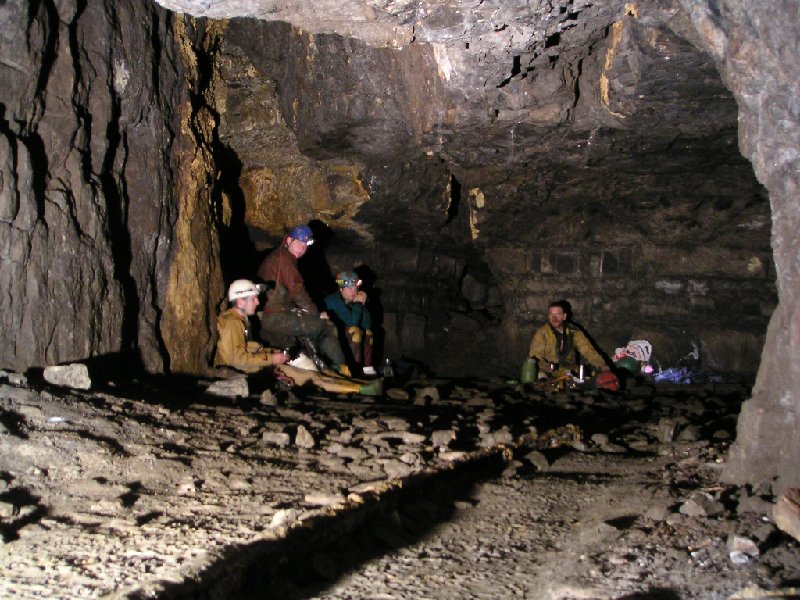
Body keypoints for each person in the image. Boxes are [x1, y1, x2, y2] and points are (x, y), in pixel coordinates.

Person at [215, 279, 382, 395]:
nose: (257, 303)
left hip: (259, 362)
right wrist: (272, 359)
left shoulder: (240, 320)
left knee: (320, 369)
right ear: (240, 302)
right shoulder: (232, 323)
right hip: (253, 369)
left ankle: (360, 383)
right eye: (253, 299)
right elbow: (237, 359)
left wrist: (274, 353)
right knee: (311, 377)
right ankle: (360, 389)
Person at [256, 224, 349, 374]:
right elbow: (297, 291)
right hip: (275, 317)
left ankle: (323, 368)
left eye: (305, 245)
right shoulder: (284, 258)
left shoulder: (280, 256)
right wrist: (315, 314)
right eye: (299, 243)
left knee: (312, 327)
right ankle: (342, 370)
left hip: (274, 313)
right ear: (288, 240)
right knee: (325, 327)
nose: (302, 248)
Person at [528, 300, 610, 377]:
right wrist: (545, 366)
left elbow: (588, 351)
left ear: (564, 316)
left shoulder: (574, 331)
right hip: (548, 372)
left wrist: (601, 365)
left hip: (569, 371)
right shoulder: (542, 333)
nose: (554, 318)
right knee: (540, 376)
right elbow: (535, 356)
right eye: (551, 314)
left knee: (590, 374)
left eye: (558, 314)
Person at [324, 271, 376, 376]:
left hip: (342, 333)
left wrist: (362, 304)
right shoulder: (334, 300)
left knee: (368, 333)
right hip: (329, 337)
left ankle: (367, 369)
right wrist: (357, 303)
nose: (354, 292)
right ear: (341, 289)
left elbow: (367, 324)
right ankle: (354, 371)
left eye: (356, 289)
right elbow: (353, 322)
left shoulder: (350, 301)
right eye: (350, 288)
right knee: (355, 332)